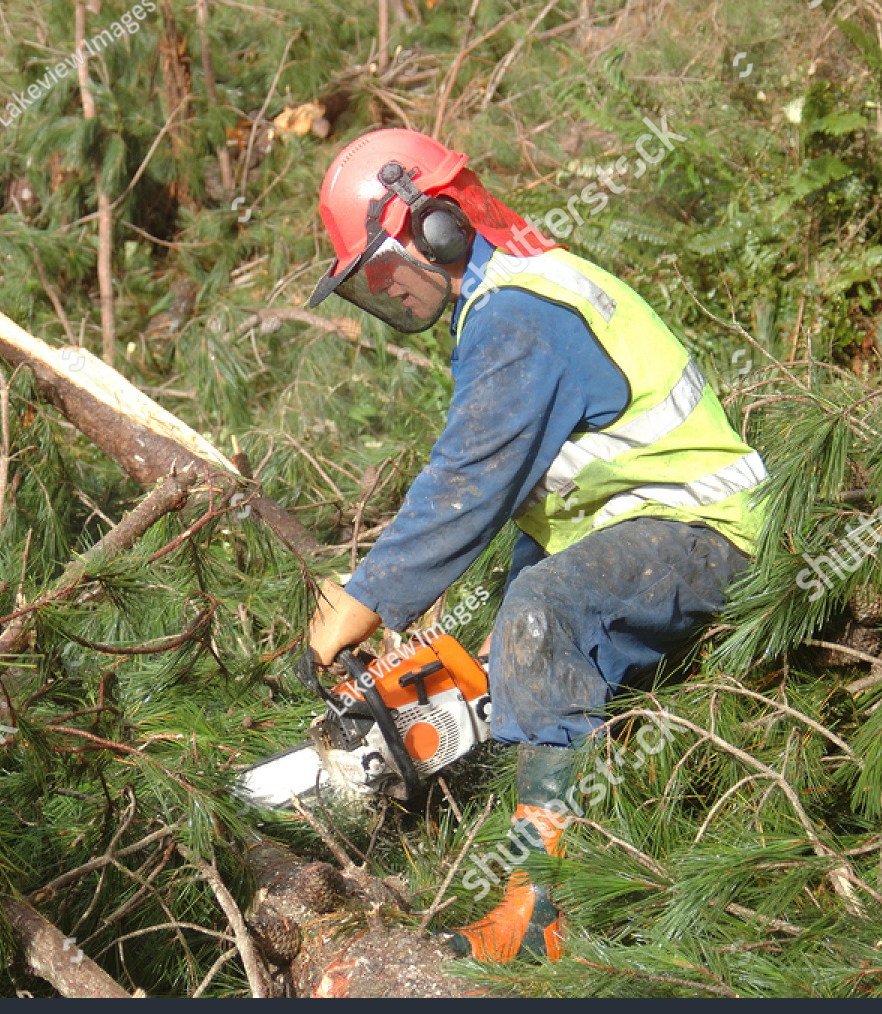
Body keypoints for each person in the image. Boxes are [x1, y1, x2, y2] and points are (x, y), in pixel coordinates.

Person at [301, 128, 767, 962]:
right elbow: (559, 502)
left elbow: (470, 483)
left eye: (384, 269)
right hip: (654, 529)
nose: (388, 293)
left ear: (437, 226)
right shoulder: (512, 298)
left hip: (710, 532)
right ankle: (607, 842)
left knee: (540, 612)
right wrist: (495, 651)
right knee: (524, 622)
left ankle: (545, 916)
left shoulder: (518, 315)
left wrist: (367, 599)